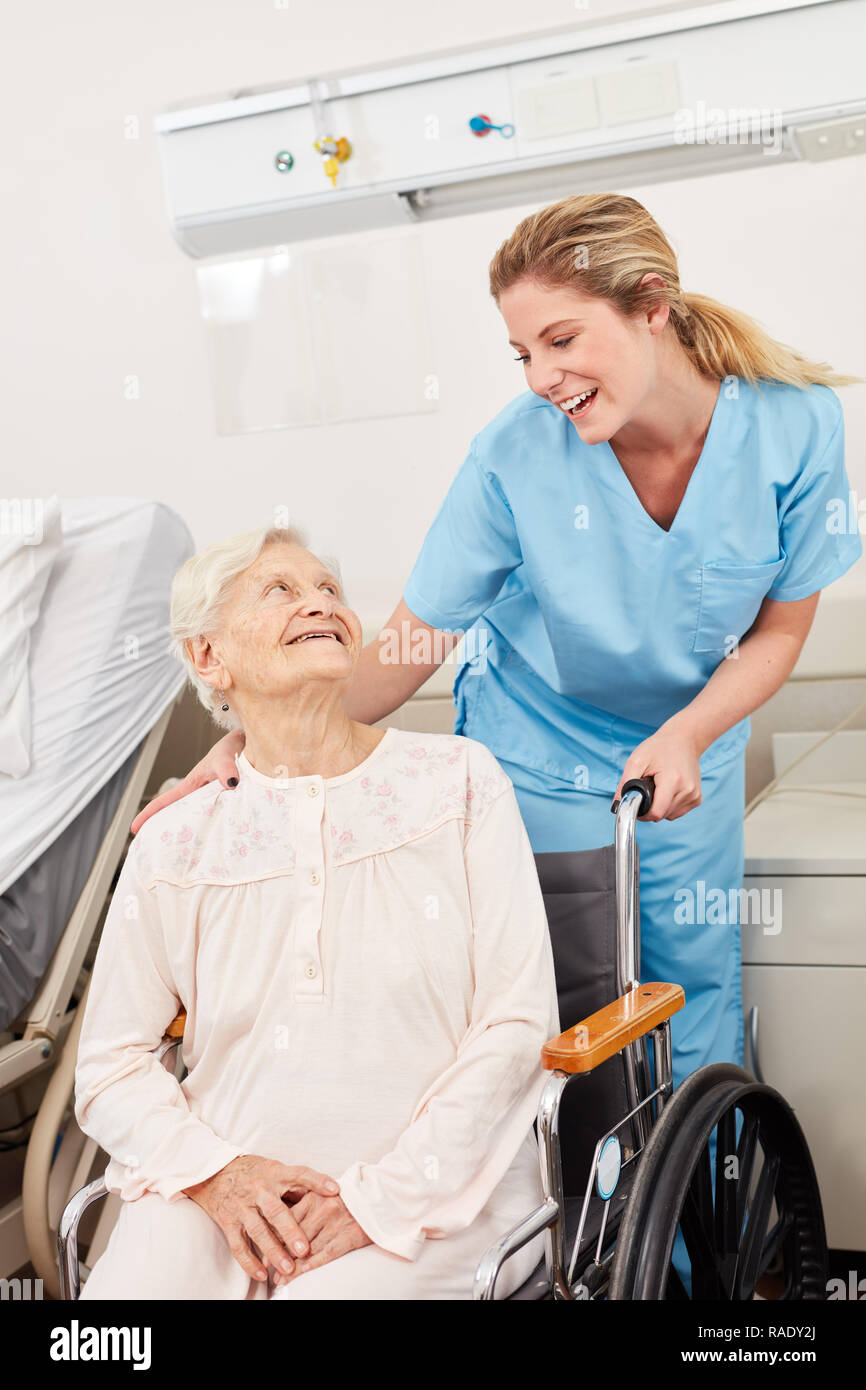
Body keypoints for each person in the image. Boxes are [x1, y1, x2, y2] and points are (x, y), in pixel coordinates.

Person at [133, 191, 862, 1112]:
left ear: (651, 303)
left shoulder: (794, 426)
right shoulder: (513, 458)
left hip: (687, 745)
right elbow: (406, 646)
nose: (540, 377)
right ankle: (567, 1243)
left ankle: (692, 1250)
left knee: (693, 995)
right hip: (538, 755)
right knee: (564, 1001)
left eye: (561, 340)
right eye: (523, 353)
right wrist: (255, 744)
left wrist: (689, 733)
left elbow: (780, 629)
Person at [75, 525, 559, 1300]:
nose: (321, 604)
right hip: (219, 1186)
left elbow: (517, 1025)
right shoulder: (173, 840)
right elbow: (108, 1067)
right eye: (281, 590)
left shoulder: (459, 783)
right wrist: (218, 1174)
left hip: (441, 1192)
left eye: (329, 589)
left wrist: (382, 1197)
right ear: (208, 657)